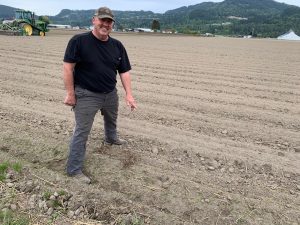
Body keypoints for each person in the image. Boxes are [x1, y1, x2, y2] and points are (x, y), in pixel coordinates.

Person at [63, 6, 137, 184]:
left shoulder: (117, 46)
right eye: (102, 20)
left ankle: (111, 138)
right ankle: (73, 169)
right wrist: (70, 94)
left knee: (111, 118)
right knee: (82, 131)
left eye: (109, 21)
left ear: (112, 24)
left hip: (110, 93)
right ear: (94, 20)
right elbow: (68, 67)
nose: (106, 24)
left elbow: (124, 72)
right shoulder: (79, 41)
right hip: (86, 94)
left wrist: (129, 95)